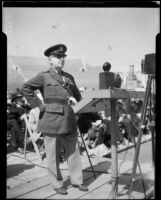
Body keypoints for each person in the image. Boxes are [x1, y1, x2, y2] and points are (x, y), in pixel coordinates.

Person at [20, 44, 88, 195]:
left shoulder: (69, 77)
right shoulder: (43, 76)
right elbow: (25, 88)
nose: (61, 59)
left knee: (74, 150)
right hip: (51, 118)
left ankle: (77, 181)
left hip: (69, 117)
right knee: (52, 153)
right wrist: (38, 104)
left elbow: (77, 95)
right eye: (58, 57)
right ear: (50, 60)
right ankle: (57, 183)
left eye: (63, 57)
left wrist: (81, 108)